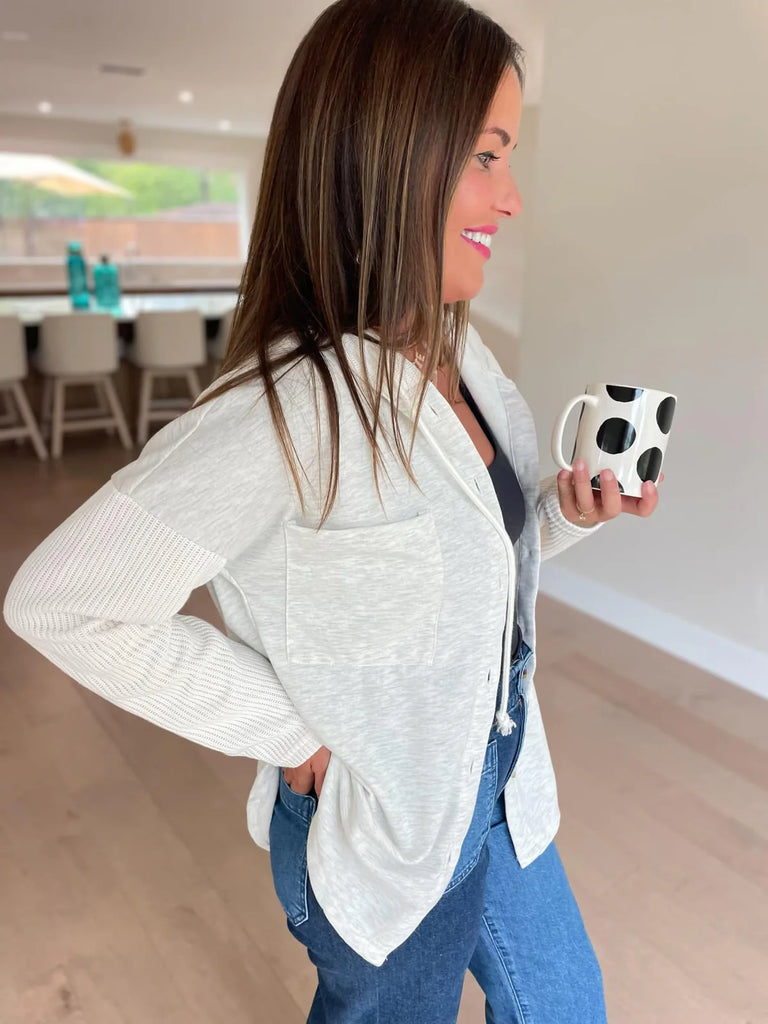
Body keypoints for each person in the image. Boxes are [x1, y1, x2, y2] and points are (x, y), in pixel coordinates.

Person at [4, 1, 663, 1021]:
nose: (512, 196)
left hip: (500, 778)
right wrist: (287, 727)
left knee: (569, 1003)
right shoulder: (288, 411)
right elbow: (65, 600)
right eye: (487, 157)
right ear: (393, 157)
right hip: (385, 822)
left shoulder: (465, 362)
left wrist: (566, 514)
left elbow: (466, 569)